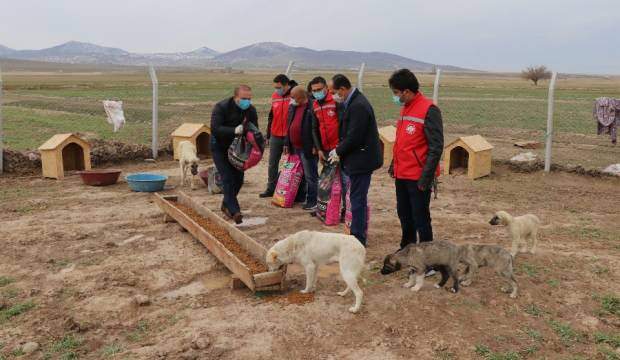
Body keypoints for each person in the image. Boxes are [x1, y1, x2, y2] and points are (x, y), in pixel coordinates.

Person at [388, 69, 444, 250]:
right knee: (404, 214)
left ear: (406, 91)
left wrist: (425, 178)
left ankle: (429, 257)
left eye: (396, 93)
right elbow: (403, 142)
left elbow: (436, 147)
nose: (394, 97)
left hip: (418, 176)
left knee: (420, 217)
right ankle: (408, 248)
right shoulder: (405, 108)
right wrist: (393, 164)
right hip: (402, 173)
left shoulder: (429, 109)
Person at [328, 74, 383, 246]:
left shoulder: (358, 105)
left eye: (334, 92)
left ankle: (358, 238)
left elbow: (354, 137)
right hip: (358, 157)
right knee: (357, 196)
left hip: (362, 160)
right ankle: (357, 233)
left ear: (343, 89)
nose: (333, 96)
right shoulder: (352, 102)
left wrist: (338, 150)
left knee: (357, 198)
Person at [210, 84, 258, 224]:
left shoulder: (251, 110)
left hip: (238, 149)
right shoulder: (221, 107)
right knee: (227, 177)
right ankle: (235, 211)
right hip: (219, 146)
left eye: (249, 99)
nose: (247, 102)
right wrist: (233, 130)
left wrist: (254, 142)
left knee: (238, 179)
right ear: (235, 97)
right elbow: (215, 128)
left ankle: (226, 204)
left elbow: (254, 129)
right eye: (244, 98)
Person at [284, 86, 319, 210]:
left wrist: (316, 146)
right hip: (295, 147)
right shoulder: (293, 107)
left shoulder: (312, 106)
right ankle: (301, 196)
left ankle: (313, 200)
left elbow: (316, 128)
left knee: (311, 175)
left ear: (301, 97)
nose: (291, 99)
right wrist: (287, 143)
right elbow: (289, 124)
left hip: (307, 147)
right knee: (299, 174)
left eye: (293, 97)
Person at [260, 74, 295, 198]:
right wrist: (268, 134)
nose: (277, 90)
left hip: (290, 137)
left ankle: (293, 190)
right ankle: (271, 188)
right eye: (275, 87)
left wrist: (289, 138)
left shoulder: (294, 96)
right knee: (272, 163)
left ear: (287, 85)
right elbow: (271, 116)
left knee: (293, 164)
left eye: (279, 87)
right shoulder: (275, 96)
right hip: (275, 135)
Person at [309, 76, 340, 164]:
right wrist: (319, 149)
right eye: (314, 91)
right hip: (325, 149)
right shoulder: (314, 105)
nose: (316, 92)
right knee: (330, 176)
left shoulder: (335, 100)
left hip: (339, 148)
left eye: (319, 89)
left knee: (344, 176)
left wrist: (340, 147)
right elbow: (314, 128)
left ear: (326, 87)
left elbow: (343, 124)